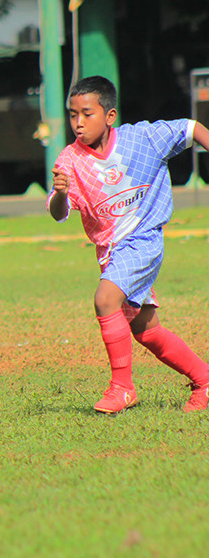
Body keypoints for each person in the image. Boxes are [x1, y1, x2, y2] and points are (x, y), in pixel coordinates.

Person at [48, 75, 209, 413]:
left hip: (143, 240)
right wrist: (61, 194)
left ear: (110, 116)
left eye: (87, 114)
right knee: (146, 330)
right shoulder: (70, 160)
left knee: (105, 299)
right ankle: (205, 381)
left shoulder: (142, 139)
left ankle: (122, 387)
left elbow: (191, 127)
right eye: (72, 114)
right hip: (111, 253)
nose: (78, 123)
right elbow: (57, 212)